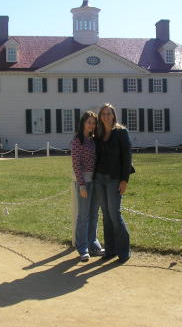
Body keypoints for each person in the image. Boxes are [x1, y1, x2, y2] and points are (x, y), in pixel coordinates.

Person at [94, 103, 132, 263]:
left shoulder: (121, 132)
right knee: (106, 215)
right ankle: (110, 250)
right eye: (103, 114)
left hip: (114, 178)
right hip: (100, 178)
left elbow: (127, 157)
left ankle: (124, 251)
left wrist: (124, 180)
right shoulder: (99, 133)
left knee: (115, 214)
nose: (105, 116)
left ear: (113, 115)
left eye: (108, 113)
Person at [71, 111, 105, 262]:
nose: (91, 125)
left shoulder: (94, 140)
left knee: (93, 215)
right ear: (83, 123)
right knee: (83, 216)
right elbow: (76, 165)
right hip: (84, 181)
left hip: (96, 181)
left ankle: (93, 243)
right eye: (89, 122)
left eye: (93, 123)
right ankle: (83, 247)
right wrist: (82, 185)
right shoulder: (78, 140)